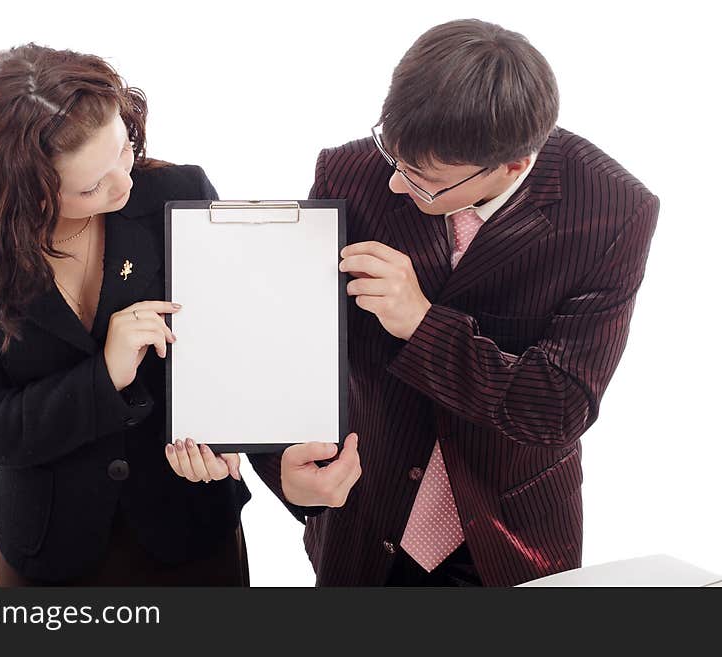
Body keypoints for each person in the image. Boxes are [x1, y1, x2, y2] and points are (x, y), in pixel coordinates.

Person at [176, 18, 660, 587]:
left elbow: (558, 406)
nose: (397, 187)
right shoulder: (352, 171)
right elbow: (287, 336)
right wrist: (278, 466)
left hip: (509, 534)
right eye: (394, 157)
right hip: (363, 519)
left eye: (424, 178)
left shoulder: (613, 209)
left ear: (512, 165)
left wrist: (423, 324)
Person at [0, 43, 251, 586]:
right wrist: (105, 376)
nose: (124, 184)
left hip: (188, 522)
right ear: (22, 198)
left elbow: (235, 344)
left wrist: (230, 433)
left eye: (122, 150)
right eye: (91, 186)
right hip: (50, 545)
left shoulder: (179, 194)